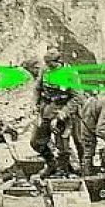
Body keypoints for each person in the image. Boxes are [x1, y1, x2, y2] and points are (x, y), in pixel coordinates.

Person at [30, 47, 83, 178]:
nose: (48, 66)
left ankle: (63, 171)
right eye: (47, 63)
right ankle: (51, 164)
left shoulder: (70, 74)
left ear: (58, 61)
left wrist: (61, 115)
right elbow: (37, 88)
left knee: (62, 146)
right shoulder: (45, 70)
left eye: (51, 64)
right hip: (46, 110)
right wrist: (34, 104)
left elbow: (77, 97)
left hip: (62, 111)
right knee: (36, 141)